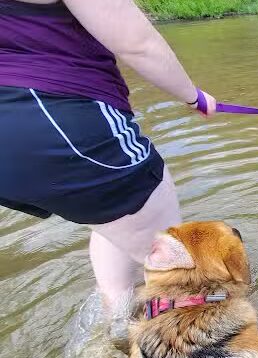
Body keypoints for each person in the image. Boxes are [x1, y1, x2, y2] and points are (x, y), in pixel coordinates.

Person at [0, 0, 217, 340]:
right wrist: (194, 97)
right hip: (54, 117)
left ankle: (116, 326)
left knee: (109, 218)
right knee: (174, 265)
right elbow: (137, 42)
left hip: (13, 138)